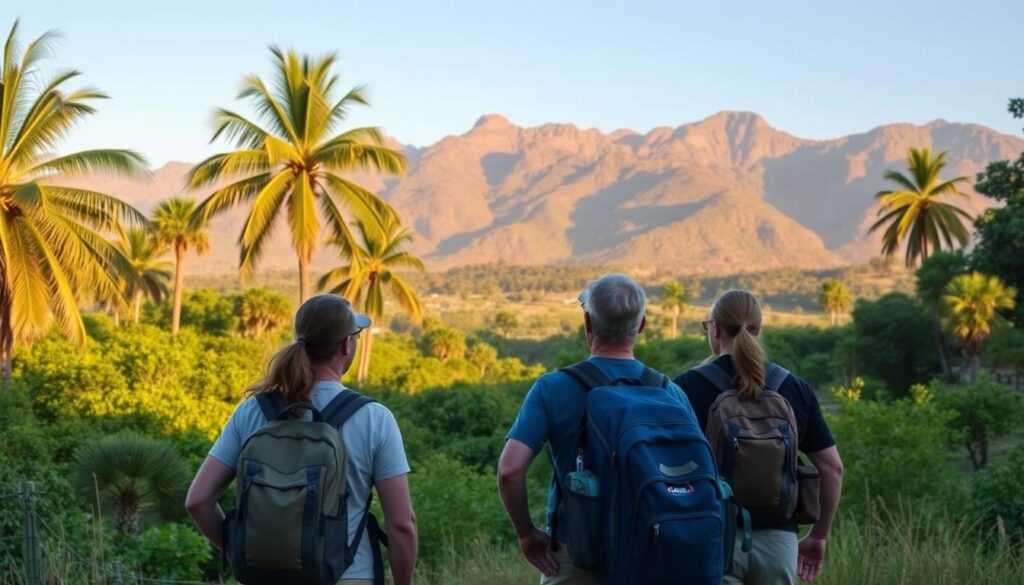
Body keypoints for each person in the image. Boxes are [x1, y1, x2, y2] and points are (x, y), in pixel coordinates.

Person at [185, 294, 417, 585]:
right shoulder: (374, 419)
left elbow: (198, 501)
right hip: (348, 576)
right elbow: (401, 525)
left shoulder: (253, 412)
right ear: (347, 345)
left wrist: (243, 551)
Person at [497, 273, 694, 585]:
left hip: (577, 555)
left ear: (587, 322)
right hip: (654, 555)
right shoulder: (671, 393)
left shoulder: (552, 388)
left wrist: (526, 534)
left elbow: (509, 472)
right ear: (641, 326)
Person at [674, 289, 843, 585]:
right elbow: (832, 468)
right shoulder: (794, 388)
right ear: (758, 329)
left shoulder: (686, 387)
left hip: (711, 538)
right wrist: (818, 537)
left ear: (714, 329)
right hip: (779, 542)